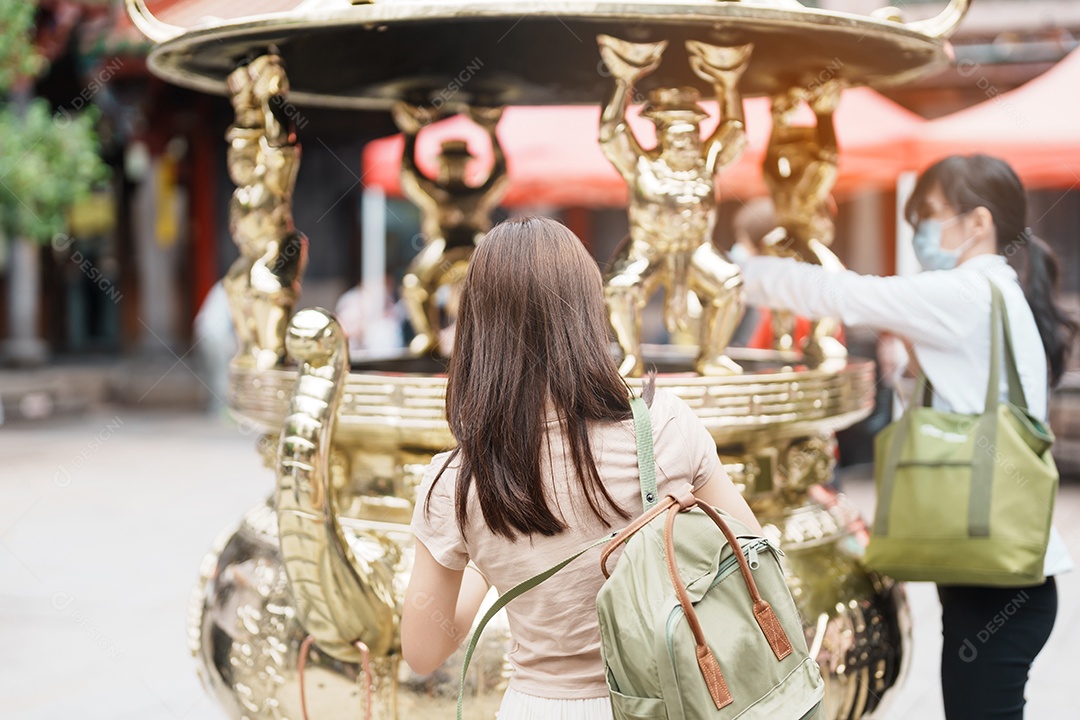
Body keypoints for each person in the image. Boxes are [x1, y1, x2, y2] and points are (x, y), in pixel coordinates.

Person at [737, 154, 1077, 720]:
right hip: (996, 578)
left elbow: (846, 294)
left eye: (930, 215)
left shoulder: (967, 293)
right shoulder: (994, 293)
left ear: (978, 223)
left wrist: (742, 271)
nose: (920, 231)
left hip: (998, 583)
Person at [403, 215, 761, 718]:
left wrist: (487, 559)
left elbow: (422, 651)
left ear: (476, 327)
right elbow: (757, 560)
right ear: (591, 313)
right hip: (669, 699)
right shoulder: (665, 428)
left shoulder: (457, 483)